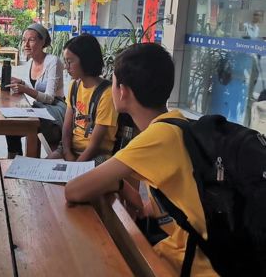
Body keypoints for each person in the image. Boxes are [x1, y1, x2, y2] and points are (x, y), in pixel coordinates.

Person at [65, 43, 215, 276]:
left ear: (123, 91)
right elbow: (149, 209)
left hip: (192, 265)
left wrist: (114, 183)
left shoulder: (157, 137)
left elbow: (74, 190)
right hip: (192, 251)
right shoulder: (176, 123)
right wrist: (120, 185)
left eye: (112, 82)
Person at [48, 34, 118, 163]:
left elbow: (95, 144)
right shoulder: (75, 86)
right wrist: (67, 152)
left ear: (86, 60)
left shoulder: (106, 94)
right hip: (71, 148)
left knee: (76, 180)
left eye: (70, 61)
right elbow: (67, 126)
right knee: (42, 166)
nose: (66, 67)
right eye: (65, 61)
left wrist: (76, 165)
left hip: (97, 154)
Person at [6, 23, 65, 158]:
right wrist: (20, 82)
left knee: (19, 126)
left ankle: (21, 160)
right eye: (24, 40)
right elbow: (35, 88)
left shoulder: (53, 61)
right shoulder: (30, 62)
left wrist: (24, 89)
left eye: (31, 40)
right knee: (10, 123)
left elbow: (50, 98)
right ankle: (14, 158)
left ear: (42, 41)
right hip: (40, 109)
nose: (26, 44)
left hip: (55, 112)